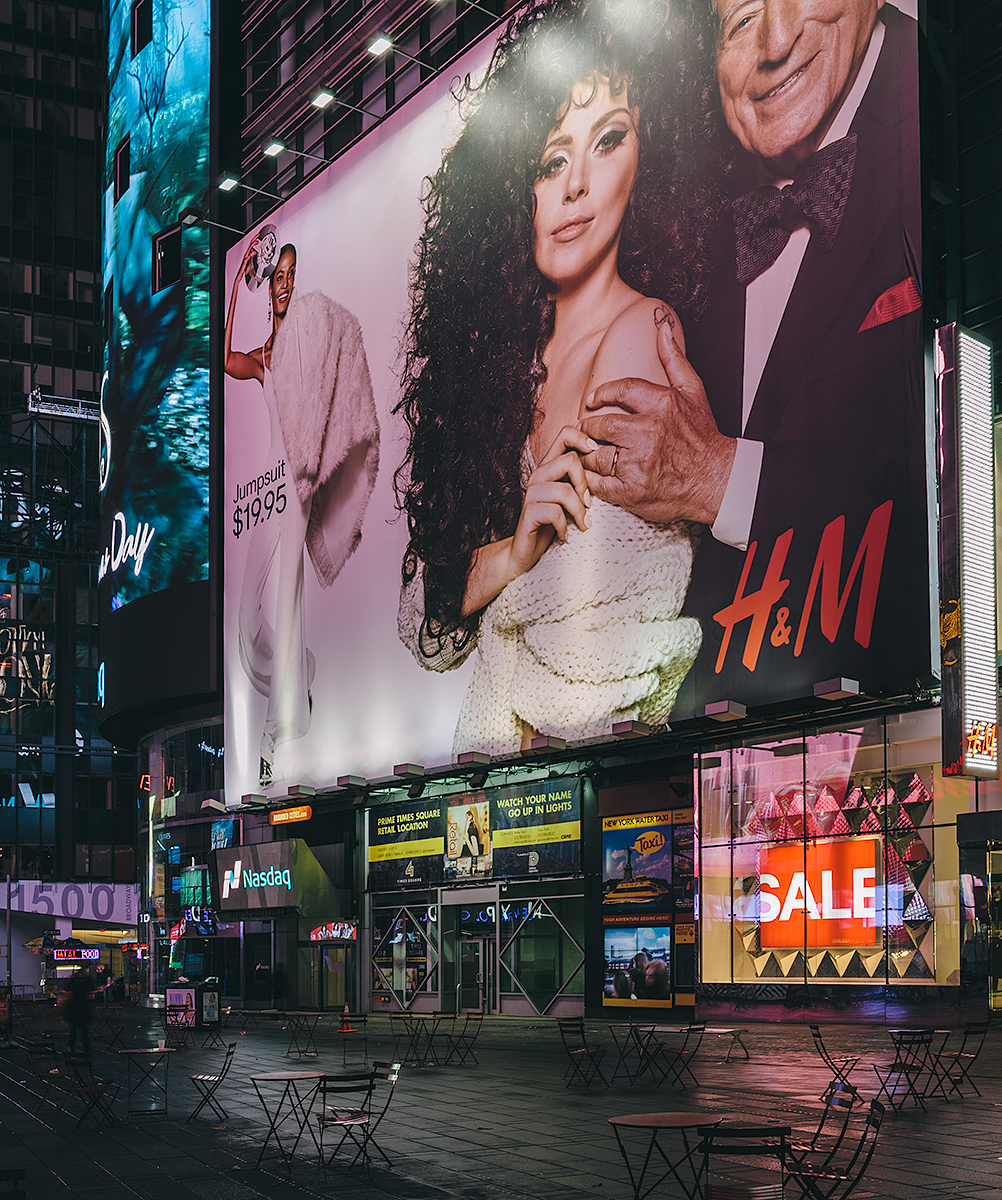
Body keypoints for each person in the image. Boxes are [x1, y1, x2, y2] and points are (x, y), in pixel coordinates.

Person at [395, 0, 724, 755]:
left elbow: (594, 658)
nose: (575, 185)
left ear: (646, 163)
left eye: (608, 141)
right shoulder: (496, 373)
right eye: (550, 160)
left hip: (606, 781)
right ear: (517, 190)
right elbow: (420, 620)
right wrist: (516, 554)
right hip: (509, 788)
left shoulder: (645, 331)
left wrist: (487, 586)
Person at [578, 0, 928, 708]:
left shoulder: (962, 93)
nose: (774, 41)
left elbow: (972, 474)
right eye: (736, 23)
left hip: (916, 714)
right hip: (714, 750)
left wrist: (721, 478)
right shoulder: (675, 204)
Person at [226, 237, 381, 788]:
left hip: (299, 481)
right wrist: (237, 278)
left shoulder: (307, 344)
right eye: (277, 275)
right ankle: (300, 670)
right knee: (246, 620)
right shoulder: (266, 354)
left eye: (292, 273)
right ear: (268, 286)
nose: (285, 281)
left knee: (288, 600)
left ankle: (277, 733)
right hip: (268, 485)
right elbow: (225, 360)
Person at [62, 968, 96, 1059]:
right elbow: (91, 987)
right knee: (83, 1031)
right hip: (83, 1008)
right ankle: (87, 1048)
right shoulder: (85, 983)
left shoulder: (73, 982)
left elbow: (67, 988)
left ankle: (70, 1047)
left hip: (73, 1008)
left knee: (72, 1031)